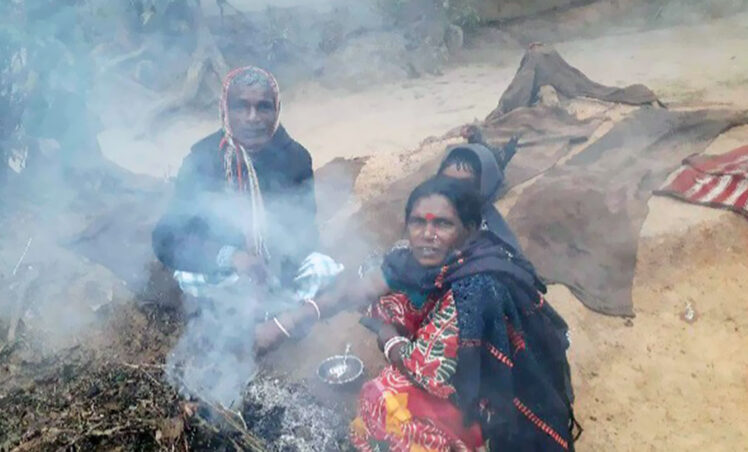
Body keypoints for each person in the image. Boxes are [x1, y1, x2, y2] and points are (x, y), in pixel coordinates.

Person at [257, 176, 577, 451]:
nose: (427, 235)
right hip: (460, 356)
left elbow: (422, 368)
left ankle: (443, 439)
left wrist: (386, 335)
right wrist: (288, 321)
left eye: (443, 224)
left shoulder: (476, 287)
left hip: (498, 395)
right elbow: (357, 290)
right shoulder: (417, 260)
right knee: (388, 297)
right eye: (418, 222)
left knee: (383, 395)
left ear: (468, 229)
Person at [152, 66, 341, 305]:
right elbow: (166, 238)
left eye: (263, 106)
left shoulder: (296, 158)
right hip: (222, 272)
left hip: (277, 275)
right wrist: (231, 257)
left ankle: (276, 308)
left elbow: (306, 230)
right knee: (189, 278)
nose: (253, 118)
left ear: (277, 110)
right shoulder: (203, 158)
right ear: (225, 110)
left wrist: (279, 265)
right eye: (241, 106)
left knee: (322, 269)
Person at [438, 142, 523, 255]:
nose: (453, 192)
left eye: (465, 185)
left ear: (485, 189)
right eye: (447, 182)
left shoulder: (496, 249)